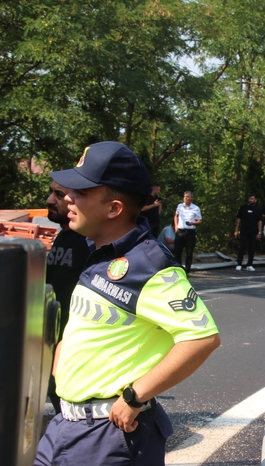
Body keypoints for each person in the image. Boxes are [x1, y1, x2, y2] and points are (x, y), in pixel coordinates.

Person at [36, 141, 220, 465]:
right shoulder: (99, 250)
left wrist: (136, 395)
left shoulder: (149, 264)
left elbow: (202, 338)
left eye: (81, 191)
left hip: (107, 435)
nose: (68, 197)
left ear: (113, 209)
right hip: (66, 425)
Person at [45, 180, 92, 414]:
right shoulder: (63, 236)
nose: (49, 200)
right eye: (51, 193)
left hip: (71, 344)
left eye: (58, 194)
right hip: (51, 335)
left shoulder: (88, 243)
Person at [174, 191, 202, 273]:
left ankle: (187, 270)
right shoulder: (180, 206)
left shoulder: (195, 208)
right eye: (184, 196)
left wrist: (192, 223)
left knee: (189, 252)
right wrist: (176, 225)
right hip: (180, 231)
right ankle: (178, 269)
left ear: (191, 198)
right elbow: (176, 215)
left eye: (187, 196)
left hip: (190, 232)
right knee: (177, 251)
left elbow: (199, 221)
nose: (186, 198)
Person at [234, 194, 262, 271]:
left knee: (252, 248)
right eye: (249, 198)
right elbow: (239, 219)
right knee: (242, 247)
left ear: (255, 200)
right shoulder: (243, 208)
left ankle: (249, 264)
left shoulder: (258, 209)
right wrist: (236, 230)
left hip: (253, 231)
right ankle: (239, 264)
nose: (250, 200)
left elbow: (259, 221)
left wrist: (259, 232)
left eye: (252, 199)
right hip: (244, 231)